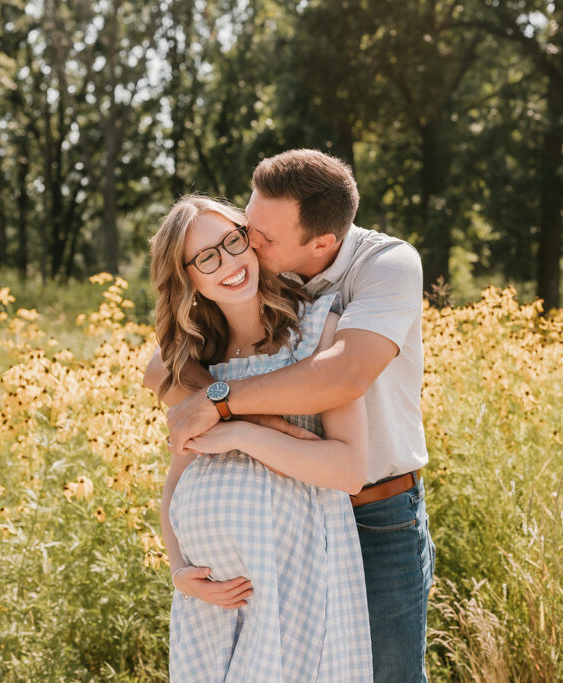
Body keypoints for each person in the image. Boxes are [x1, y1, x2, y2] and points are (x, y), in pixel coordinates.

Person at [151, 149, 434, 682]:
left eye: (260, 238)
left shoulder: (383, 267)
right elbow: (158, 370)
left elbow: (342, 375)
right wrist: (227, 414)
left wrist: (223, 408)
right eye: (246, 227)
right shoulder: (260, 276)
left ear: (320, 245)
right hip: (283, 530)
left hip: (375, 510)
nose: (247, 245)